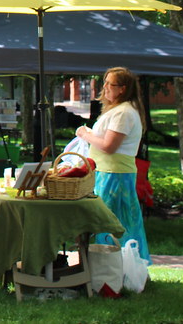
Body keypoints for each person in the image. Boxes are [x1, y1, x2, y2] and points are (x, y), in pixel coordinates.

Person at [75, 66, 151, 263]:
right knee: (109, 222)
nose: (105, 87)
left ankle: (118, 267)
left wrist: (85, 135)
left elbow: (109, 146)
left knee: (113, 224)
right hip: (107, 172)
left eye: (111, 84)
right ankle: (111, 268)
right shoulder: (118, 110)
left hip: (115, 176)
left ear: (122, 89)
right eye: (105, 83)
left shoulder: (123, 113)